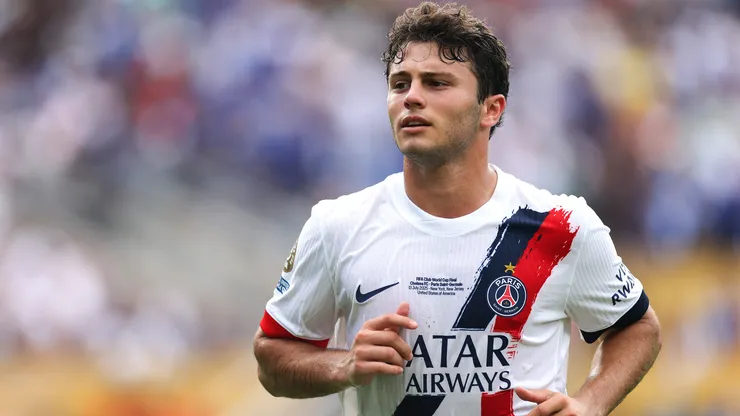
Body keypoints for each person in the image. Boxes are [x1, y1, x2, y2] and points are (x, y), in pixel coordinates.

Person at [253, 2, 662, 415]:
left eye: (436, 83)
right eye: (400, 84)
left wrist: (590, 404)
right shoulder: (338, 225)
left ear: (491, 109)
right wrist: (344, 365)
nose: (412, 97)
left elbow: (638, 327)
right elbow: (272, 355)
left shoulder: (561, 225)